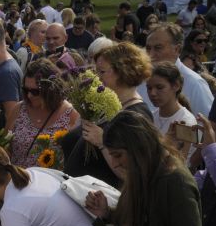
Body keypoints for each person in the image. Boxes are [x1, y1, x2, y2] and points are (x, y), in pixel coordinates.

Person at [85, 110, 206, 226]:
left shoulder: (176, 180)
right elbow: (140, 218)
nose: (115, 164)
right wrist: (107, 212)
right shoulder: (141, 173)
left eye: (118, 155)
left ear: (137, 147)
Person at [64, 41, 154, 187]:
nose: (96, 78)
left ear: (122, 71)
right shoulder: (106, 106)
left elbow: (131, 174)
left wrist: (102, 142)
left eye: (102, 72)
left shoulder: (136, 116)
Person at [7, 58, 78, 167]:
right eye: (26, 90)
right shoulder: (19, 109)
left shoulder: (71, 115)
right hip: (18, 180)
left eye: (35, 91)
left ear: (51, 89)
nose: (30, 95)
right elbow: (4, 147)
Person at [143, 22, 213, 116]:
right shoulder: (141, 80)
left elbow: (210, 125)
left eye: (158, 48)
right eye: (148, 48)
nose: (150, 54)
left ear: (177, 50)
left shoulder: (195, 84)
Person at [146, 62, 196, 144]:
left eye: (159, 87)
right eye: (149, 88)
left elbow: (182, 156)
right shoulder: (151, 117)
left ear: (176, 86)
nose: (152, 93)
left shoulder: (186, 122)